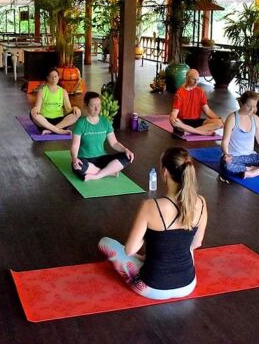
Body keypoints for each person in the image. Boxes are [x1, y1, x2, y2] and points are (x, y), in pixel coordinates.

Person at [98, 147, 208, 300]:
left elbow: (130, 250)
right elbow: (196, 244)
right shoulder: (201, 202)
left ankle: (146, 260)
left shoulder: (150, 206)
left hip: (152, 288)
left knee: (105, 243)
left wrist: (146, 239)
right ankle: (148, 259)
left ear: (164, 172)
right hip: (188, 285)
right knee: (176, 248)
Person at [71, 92, 134, 181]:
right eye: (93, 106)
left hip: (101, 158)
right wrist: (74, 158)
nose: (97, 109)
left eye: (99, 105)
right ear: (86, 106)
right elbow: (75, 145)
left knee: (127, 157)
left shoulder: (105, 122)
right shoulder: (80, 124)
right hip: (85, 159)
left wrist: (125, 150)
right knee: (78, 167)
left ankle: (97, 175)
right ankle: (109, 172)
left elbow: (114, 143)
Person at [169, 69, 223, 136]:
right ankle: (202, 131)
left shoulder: (200, 92)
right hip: (183, 122)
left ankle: (189, 132)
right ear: (187, 78)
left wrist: (220, 119)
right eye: (193, 79)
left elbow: (208, 111)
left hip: (196, 121)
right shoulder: (179, 94)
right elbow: (174, 112)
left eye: (197, 80)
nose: (196, 82)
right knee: (173, 121)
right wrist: (173, 119)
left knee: (219, 123)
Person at [30, 68, 81, 135]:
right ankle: (58, 131)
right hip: (45, 122)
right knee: (32, 113)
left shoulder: (63, 91)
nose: (54, 79)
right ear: (47, 78)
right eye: (51, 77)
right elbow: (38, 108)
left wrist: (75, 108)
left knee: (78, 112)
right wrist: (35, 110)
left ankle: (50, 130)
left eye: (55, 76)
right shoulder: (42, 91)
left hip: (60, 122)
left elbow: (68, 109)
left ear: (58, 77)